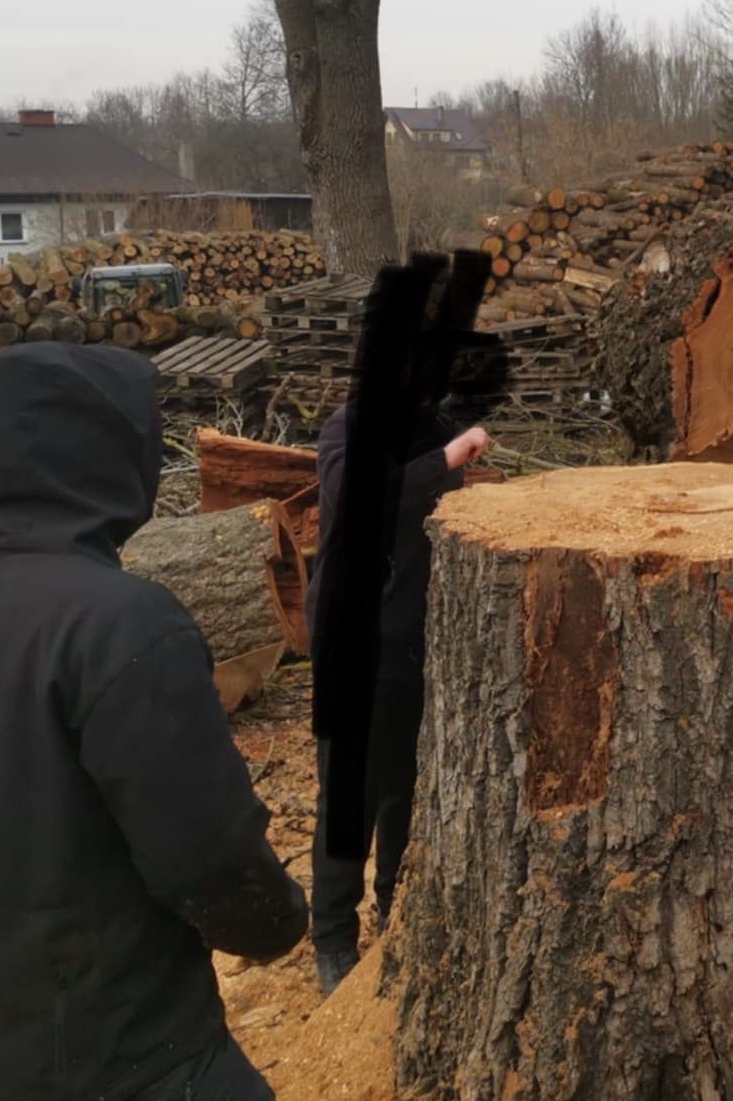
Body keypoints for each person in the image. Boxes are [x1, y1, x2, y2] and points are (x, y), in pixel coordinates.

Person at [0, 343, 309, 1101]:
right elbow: (203, 852)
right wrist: (276, 925)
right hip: (122, 1049)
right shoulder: (125, 624)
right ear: (111, 455)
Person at [305, 365, 489, 995]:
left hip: (417, 639)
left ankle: (396, 910)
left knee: (406, 786)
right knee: (349, 794)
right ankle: (333, 937)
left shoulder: (431, 427)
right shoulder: (348, 428)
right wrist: (449, 458)